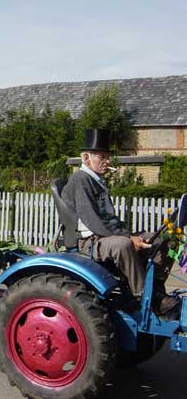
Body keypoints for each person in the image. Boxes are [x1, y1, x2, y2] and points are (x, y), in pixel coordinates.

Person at [61, 128, 178, 317]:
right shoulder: (81, 181)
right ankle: (144, 296)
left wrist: (135, 236)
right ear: (85, 158)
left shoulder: (96, 180)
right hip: (90, 242)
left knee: (163, 239)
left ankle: (154, 286)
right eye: (102, 157)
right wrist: (130, 238)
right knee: (123, 244)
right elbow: (95, 223)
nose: (107, 161)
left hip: (103, 236)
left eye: (108, 157)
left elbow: (109, 219)